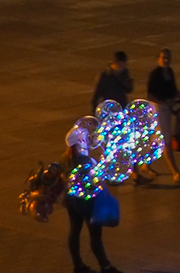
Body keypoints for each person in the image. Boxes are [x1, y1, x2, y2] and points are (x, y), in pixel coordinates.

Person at [61, 115, 117, 273]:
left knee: (74, 230)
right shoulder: (86, 161)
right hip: (86, 202)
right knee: (95, 235)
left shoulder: (64, 158)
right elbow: (96, 181)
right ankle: (105, 267)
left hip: (70, 199)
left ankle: (78, 265)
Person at [146, 48, 180, 181]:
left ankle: (146, 164)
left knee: (158, 140)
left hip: (167, 107)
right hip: (159, 108)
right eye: (163, 58)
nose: (166, 60)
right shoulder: (155, 74)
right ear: (158, 59)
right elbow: (150, 94)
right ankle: (175, 171)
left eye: (168, 58)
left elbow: (174, 90)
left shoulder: (170, 72)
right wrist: (164, 103)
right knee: (166, 141)